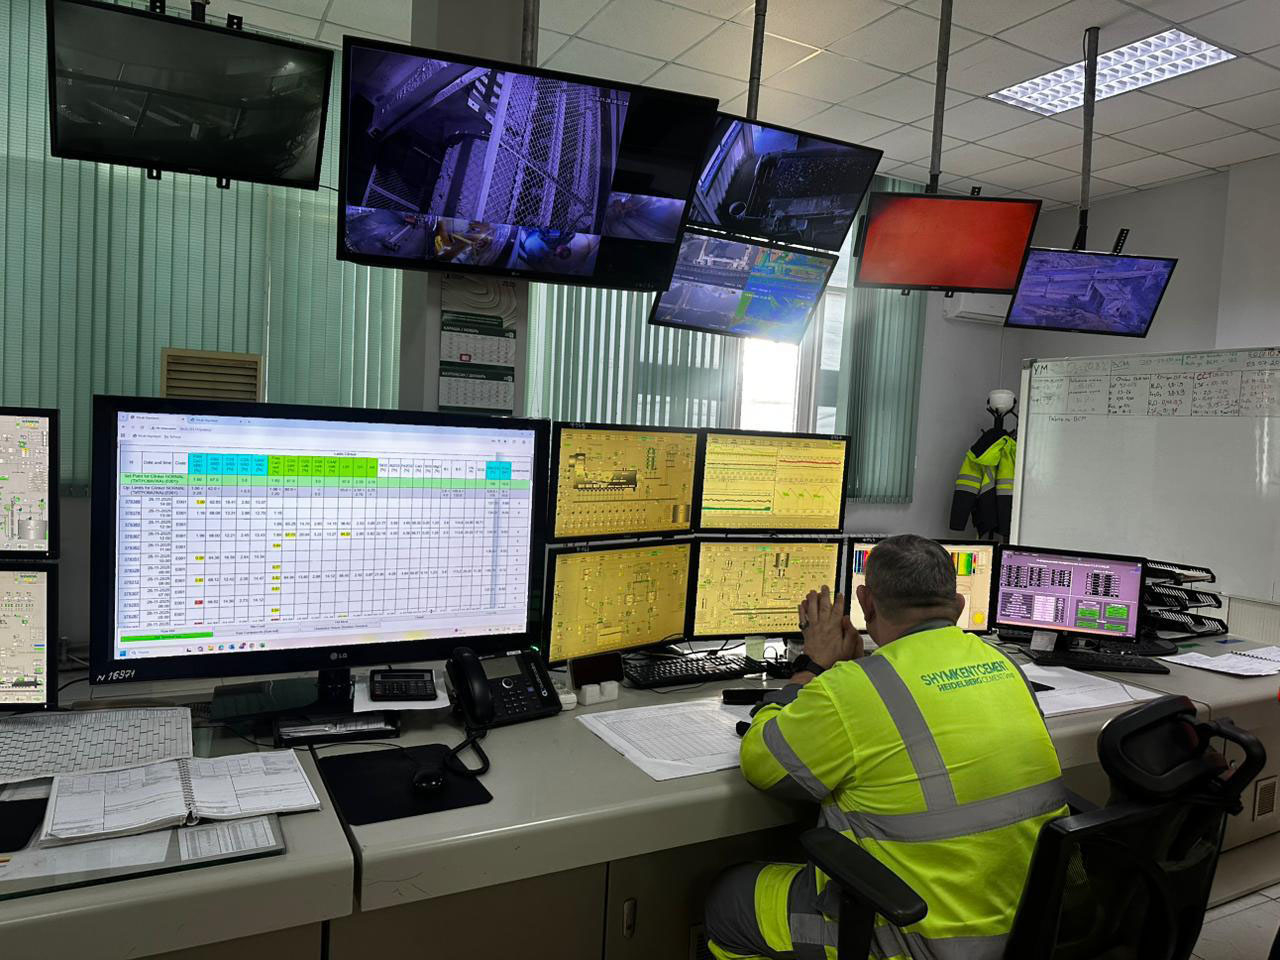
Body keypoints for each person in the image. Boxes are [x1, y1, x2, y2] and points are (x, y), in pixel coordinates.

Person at [704, 534, 1067, 960]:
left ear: (867, 603)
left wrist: (812, 668)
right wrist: (857, 670)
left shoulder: (853, 689)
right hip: (1031, 929)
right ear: (957, 605)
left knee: (729, 900)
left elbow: (762, 763)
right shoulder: (1006, 666)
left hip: (915, 941)